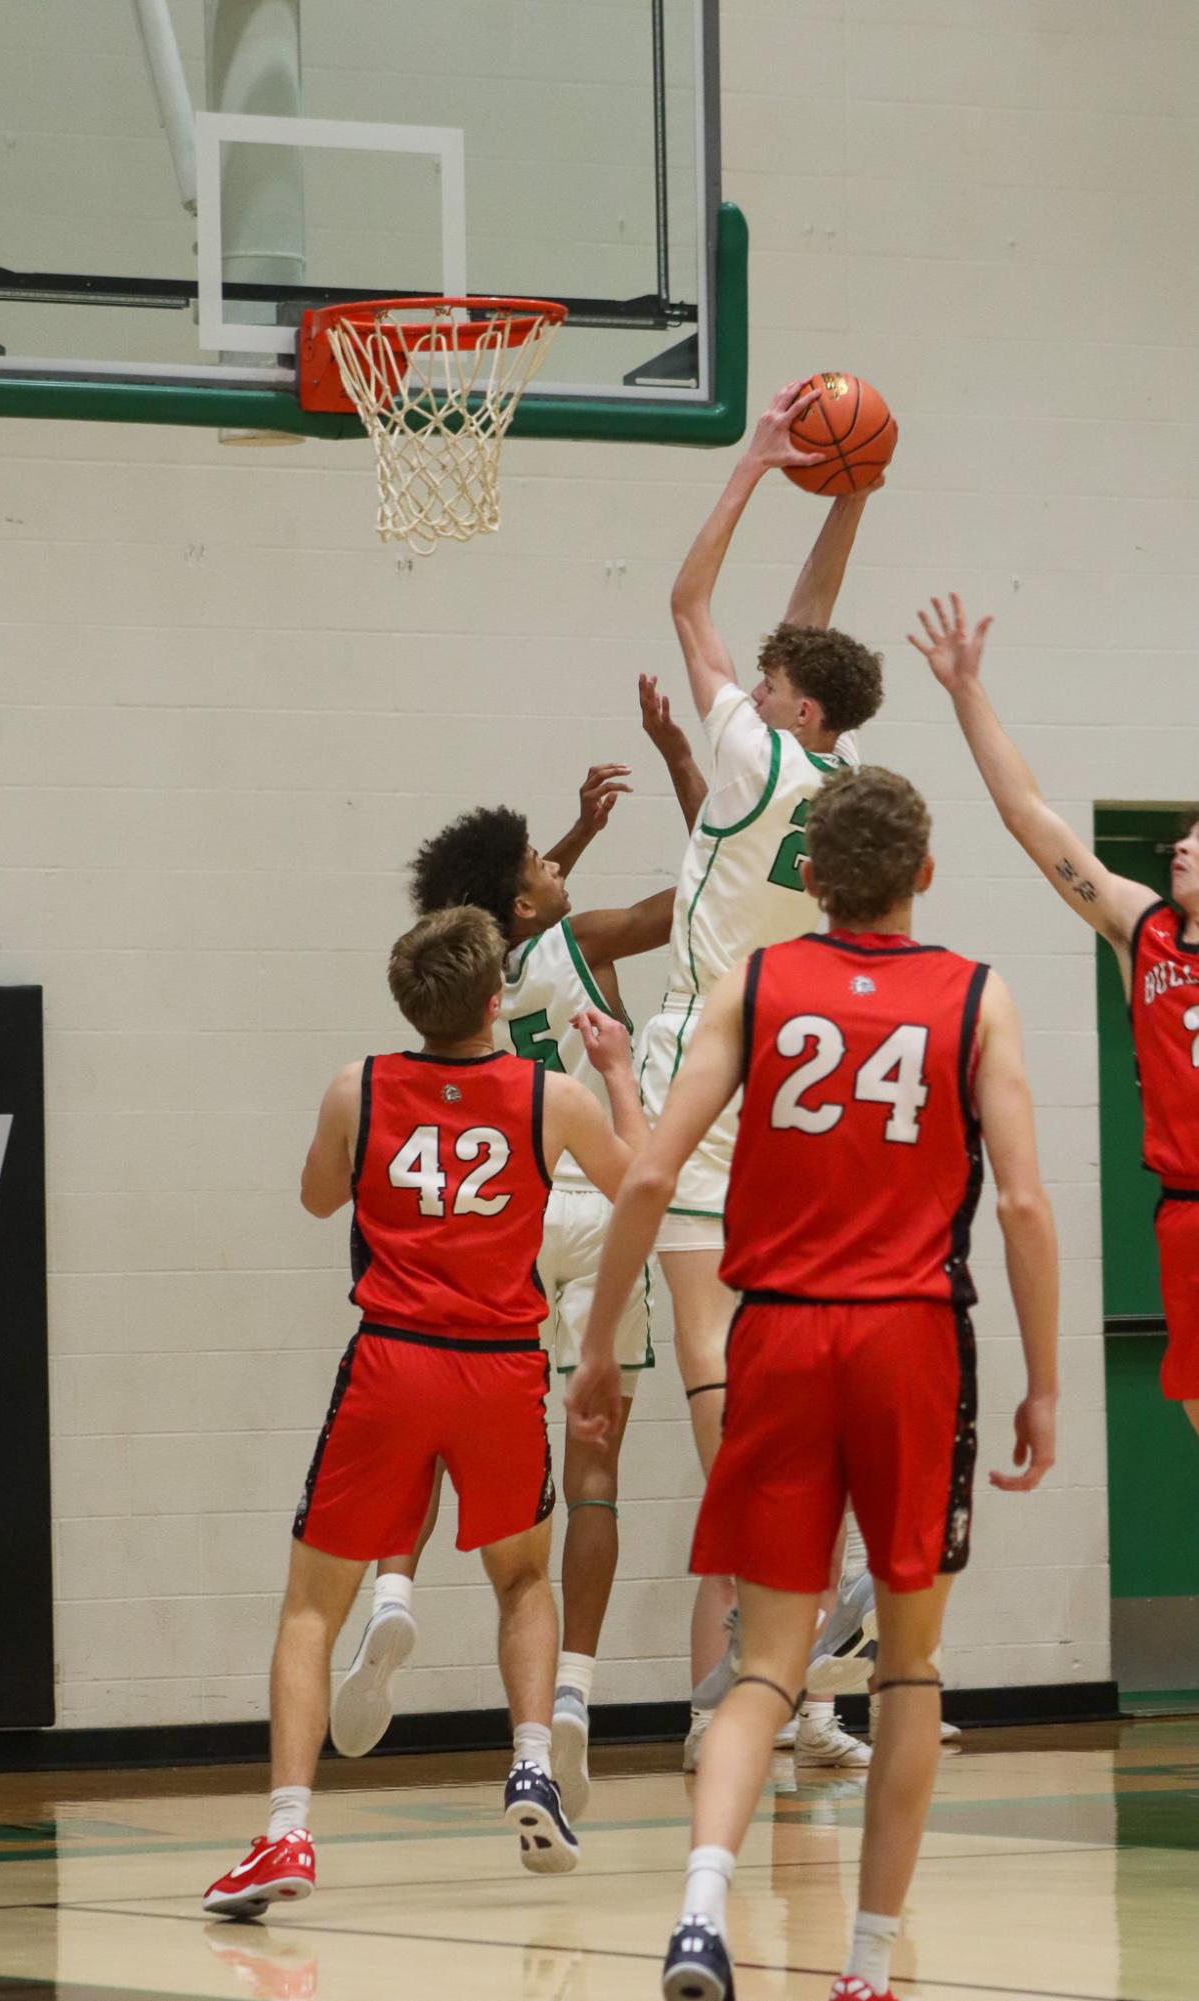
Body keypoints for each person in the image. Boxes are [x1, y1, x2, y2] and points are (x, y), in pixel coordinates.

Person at [567, 765, 1059, 2001]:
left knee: (762, 1670)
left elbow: (642, 1179)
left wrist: (588, 1351)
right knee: (904, 1670)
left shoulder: (756, 981)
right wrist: (1043, 1382)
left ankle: (696, 1909)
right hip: (908, 1341)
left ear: (812, 882)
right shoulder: (975, 998)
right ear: (923, 876)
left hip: (775, 1340)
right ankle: (865, 1966)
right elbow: (1019, 1201)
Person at [203, 904, 645, 1917]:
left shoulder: (357, 1087)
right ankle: (532, 1766)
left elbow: (318, 1198)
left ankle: (285, 1834)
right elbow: (639, 1187)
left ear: (408, 1000)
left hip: (392, 1363)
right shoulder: (552, 1099)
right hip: (498, 1368)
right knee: (524, 1577)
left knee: (314, 1606)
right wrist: (618, 1075)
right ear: (497, 1001)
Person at [328, 697, 706, 1824]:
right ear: (523, 900)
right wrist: (689, 767)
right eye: (544, 857)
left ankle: (393, 1588)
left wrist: (568, 846)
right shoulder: (580, 942)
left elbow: (511, 905)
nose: (556, 856)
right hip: (599, 1199)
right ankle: (575, 1697)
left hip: (507, 1211)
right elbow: (689, 897)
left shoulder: (475, 977)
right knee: (591, 1469)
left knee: (444, 1414)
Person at [647, 380, 886, 1768]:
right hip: (805, 1075)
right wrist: (846, 493)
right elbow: (810, 636)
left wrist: (750, 467)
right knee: (787, 1341)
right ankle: (821, 1569)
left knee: (702, 1347)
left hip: (703, 1058)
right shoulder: (858, 778)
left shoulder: (743, 751)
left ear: (784, 702)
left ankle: (795, 1551)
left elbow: (689, 602)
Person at [912, 592, 1199, 1435]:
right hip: (1182, 1208)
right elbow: (1028, 818)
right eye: (1178, 833)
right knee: (1188, 1398)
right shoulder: (1141, 929)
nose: (1180, 845)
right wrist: (967, 693)